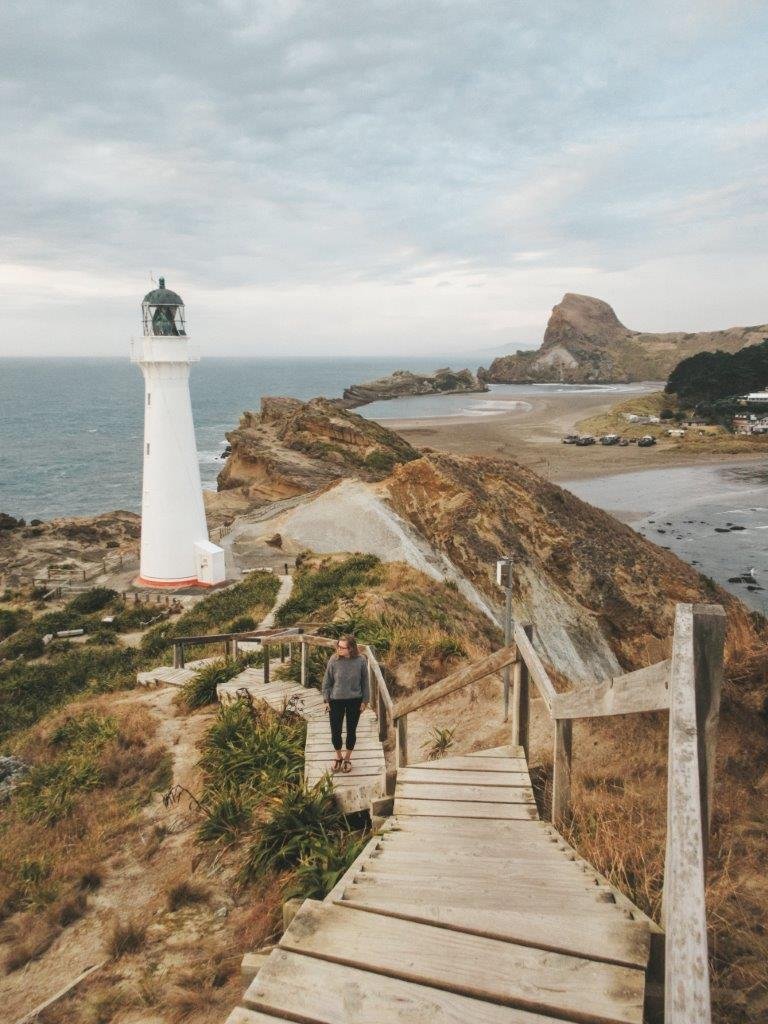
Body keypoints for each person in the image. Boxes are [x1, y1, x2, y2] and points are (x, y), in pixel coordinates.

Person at [322, 634, 369, 773]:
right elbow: (327, 681)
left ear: (351, 649)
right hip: (335, 701)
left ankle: (347, 758)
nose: (339, 649)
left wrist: (365, 701)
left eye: (342, 647)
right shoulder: (334, 660)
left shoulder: (361, 661)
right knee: (335, 732)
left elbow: (365, 682)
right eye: (338, 646)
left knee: (351, 731)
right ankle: (338, 756)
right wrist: (326, 699)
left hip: (355, 701)